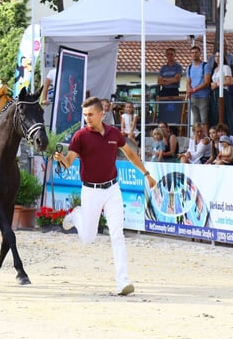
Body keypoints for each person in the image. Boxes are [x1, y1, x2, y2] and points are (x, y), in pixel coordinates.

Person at [54, 96, 157, 296]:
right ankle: (77, 215)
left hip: (112, 190)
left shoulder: (114, 133)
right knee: (88, 238)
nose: (87, 119)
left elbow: (131, 154)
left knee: (117, 234)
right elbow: (69, 161)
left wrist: (146, 174)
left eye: (91, 115)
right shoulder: (80, 136)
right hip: (90, 191)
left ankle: (123, 281)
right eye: (85, 115)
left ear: (102, 114)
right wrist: (61, 159)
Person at [184, 45, 211, 127]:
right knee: (196, 121)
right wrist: (188, 91)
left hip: (203, 96)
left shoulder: (205, 66)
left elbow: (207, 82)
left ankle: (206, 138)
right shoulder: (189, 67)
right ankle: (197, 138)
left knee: (204, 120)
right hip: (193, 96)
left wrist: (195, 89)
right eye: (192, 53)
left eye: (196, 52)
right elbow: (188, 81)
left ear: (200, 54)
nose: (194, 54)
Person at [209, 50, 232, 130]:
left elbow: (228, 81)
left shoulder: (225, 67)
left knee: (222, 113)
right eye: (216, 56)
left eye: (219, 56)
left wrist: (217, 84)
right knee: (215, 113)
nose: (217, 58)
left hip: (223, 92)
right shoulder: (215, 69)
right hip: (214, 94)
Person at [40, 56, 57, 128]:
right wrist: (44, 99)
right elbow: (46, 86)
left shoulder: (67, 71)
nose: (57, 61)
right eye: (56, 60)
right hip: (56, 99)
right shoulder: (52, 72)